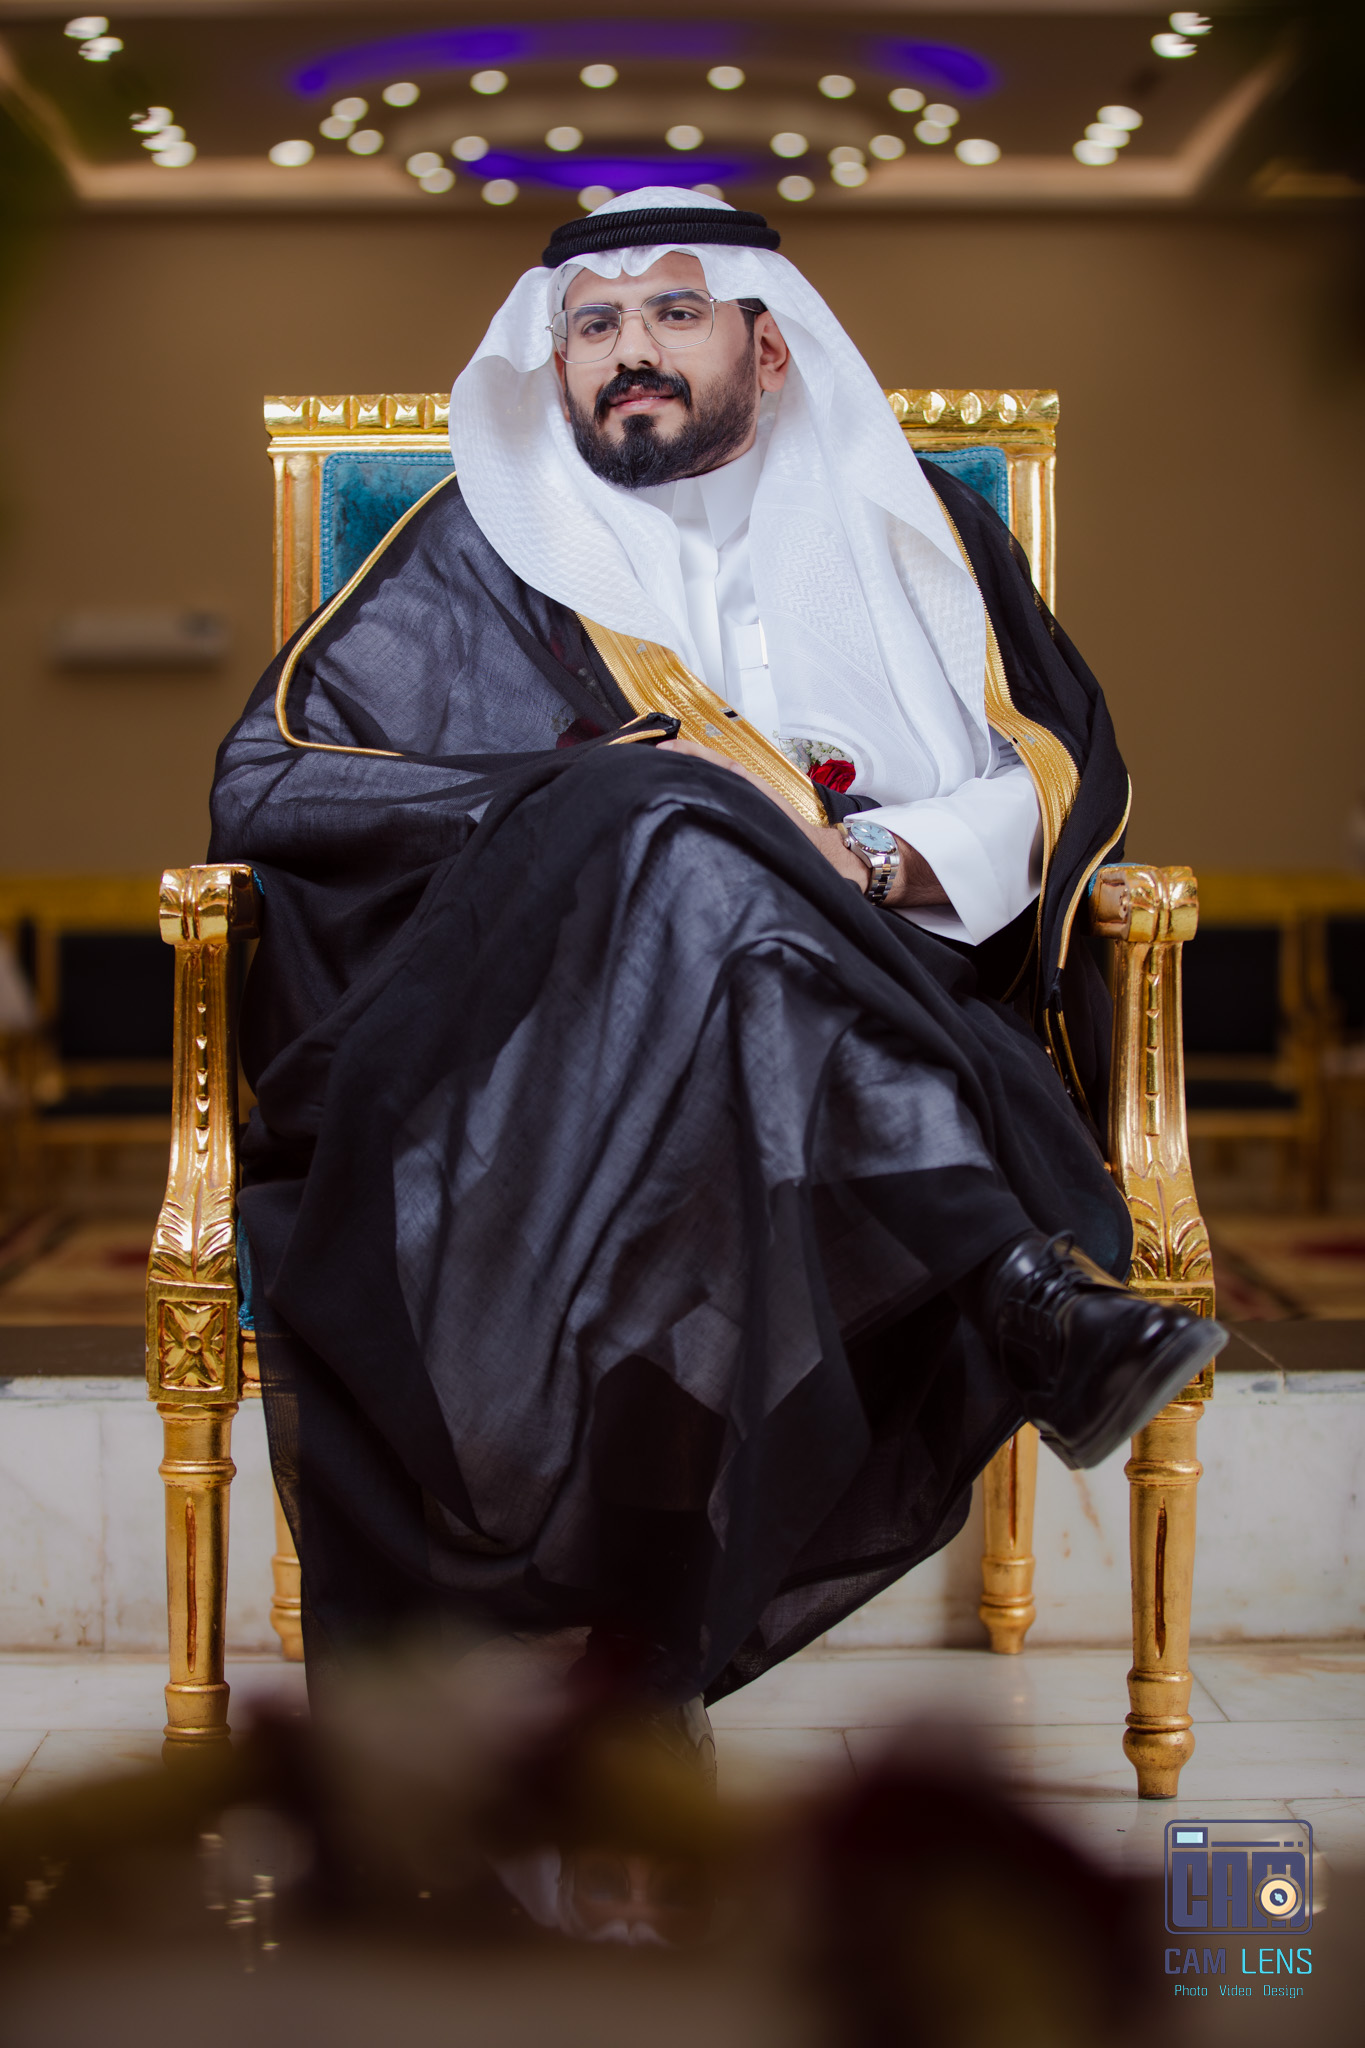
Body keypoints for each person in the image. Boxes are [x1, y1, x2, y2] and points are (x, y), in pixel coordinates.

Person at [210, 188, 1223, 1707]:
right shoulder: (481, 549)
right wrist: (612, 801)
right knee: (676, 829)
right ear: (553, 362)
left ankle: (624, 1674)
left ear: (770, 344)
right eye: (594, 326)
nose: (631, 351)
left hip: (891, 994)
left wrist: (864, 857)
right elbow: (279, 782)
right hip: (567, 1043)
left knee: (716, 962)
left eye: (673, 314)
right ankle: (1013, 1284)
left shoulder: (919, 536)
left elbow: (1054, 774)